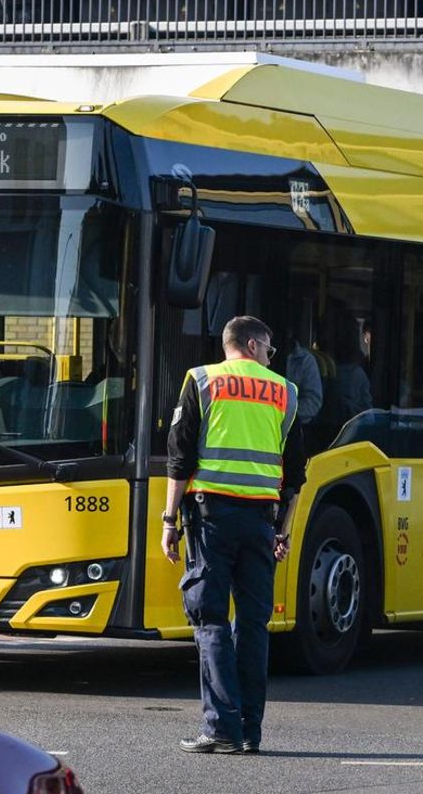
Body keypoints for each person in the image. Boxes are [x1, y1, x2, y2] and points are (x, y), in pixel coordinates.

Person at [161, 316, 306, 755]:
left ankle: (221, 727)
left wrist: (169, 521)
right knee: (254, 624)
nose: (271, 356)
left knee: (210, 619)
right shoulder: (286, 392)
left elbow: (180, 458)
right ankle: (249, 730)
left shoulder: (202, 381)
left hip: (212, 518)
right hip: (260, 521)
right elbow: (295, 474)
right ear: (254, 343)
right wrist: (283, 531)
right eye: (270, 349)